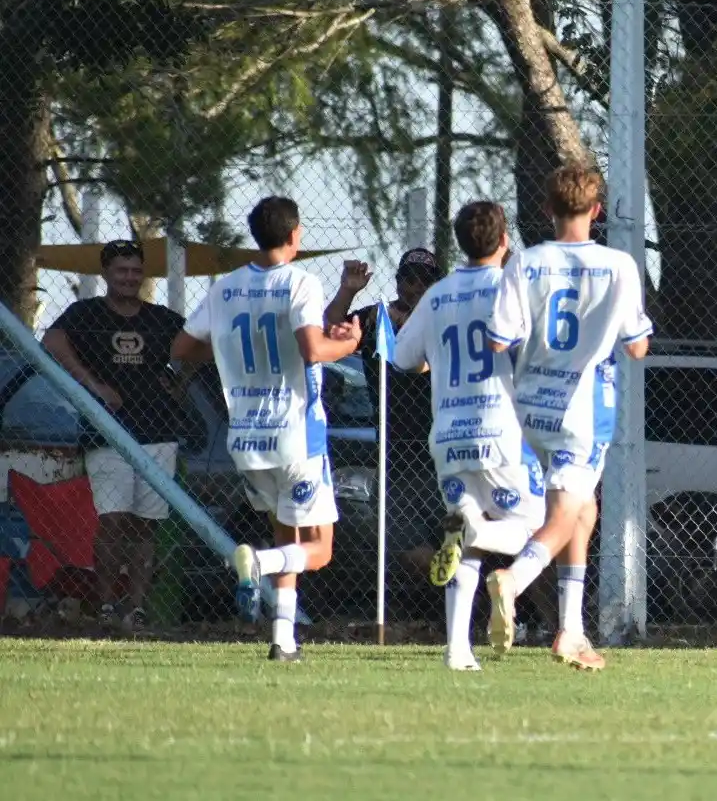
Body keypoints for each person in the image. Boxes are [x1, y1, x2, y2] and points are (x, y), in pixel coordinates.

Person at [172, 197, 360, 661]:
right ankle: (258, 563)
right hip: (297, 434)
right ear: (295, 235)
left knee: (285, 534)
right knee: (317, 548)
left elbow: (181, 347)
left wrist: (230, 354)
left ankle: (282, 639)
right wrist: (351, 342)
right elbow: (312, 349)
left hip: (248, 438)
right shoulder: (300, 281)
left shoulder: (227, 288)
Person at [485, 165, 652, 672]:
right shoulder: (619, 265)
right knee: (564, 514)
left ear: (547, 210)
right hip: (584, 408)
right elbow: (638, 347)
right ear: (597, 211)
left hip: (531, 404)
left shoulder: (526, 262)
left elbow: (498, 339)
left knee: (583, 512)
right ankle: (512, 581)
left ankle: (571, 630)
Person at [390, 201, 545, 671]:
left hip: (448, 436)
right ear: (504, 242)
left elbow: (403, 359)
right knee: (535, 527)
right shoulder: (511, 286)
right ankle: (480, 532)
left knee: (468, 544)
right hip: (499, 429)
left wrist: (431, 357)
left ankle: (458, 650)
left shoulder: (436, 295)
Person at [43, 240, 187, 626]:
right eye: (121, 271)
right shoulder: (85, 314)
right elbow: (51, 342)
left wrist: (182, 378)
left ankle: (136, 609)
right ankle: (106, 606)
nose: (129, 278)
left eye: (136, 271)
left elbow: (195, 347)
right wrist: (92, 385)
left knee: (145, 525)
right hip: (106, 435)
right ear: (106, 273)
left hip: (158, 432)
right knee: (112, 521)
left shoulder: (162, 319)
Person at [325, 248, 444, 571]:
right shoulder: (379, 319)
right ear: (398, 282)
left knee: (459, 533)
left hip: (441, 450)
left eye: (425, 280)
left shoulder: (446, 317)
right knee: (401, 542)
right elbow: (332, 328)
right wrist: (348, 290)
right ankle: (452, 580)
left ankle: (463, 600)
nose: (416, 287)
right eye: (409, 279)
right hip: (395, 452)